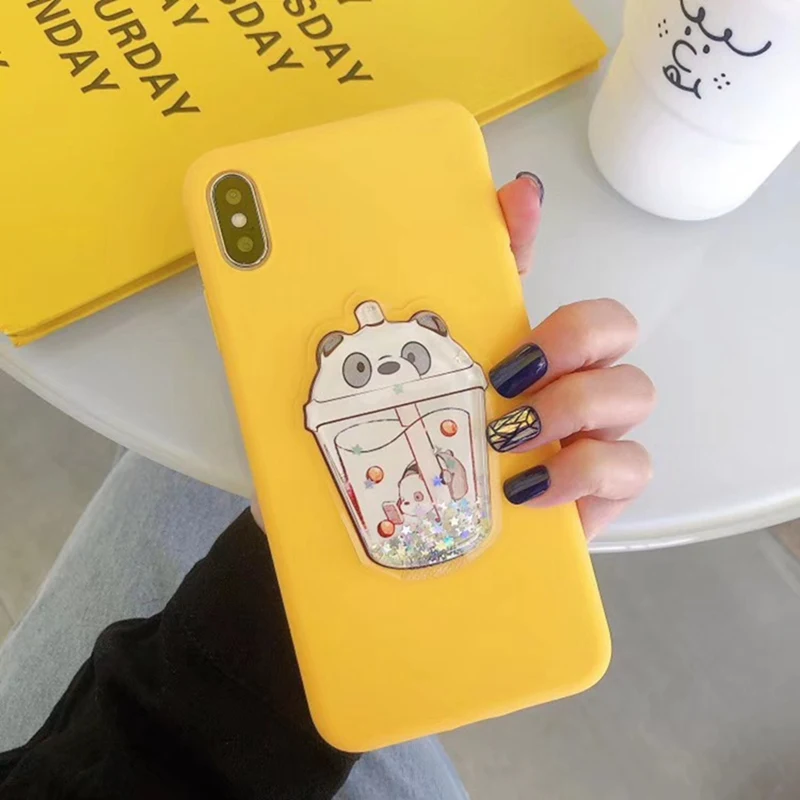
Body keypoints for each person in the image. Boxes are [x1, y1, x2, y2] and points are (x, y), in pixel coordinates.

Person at [0, 174, 654, 799]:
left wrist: (303, 567)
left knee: (210, 450)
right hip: (202, 733)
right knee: (202, 458)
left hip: (168, 728)